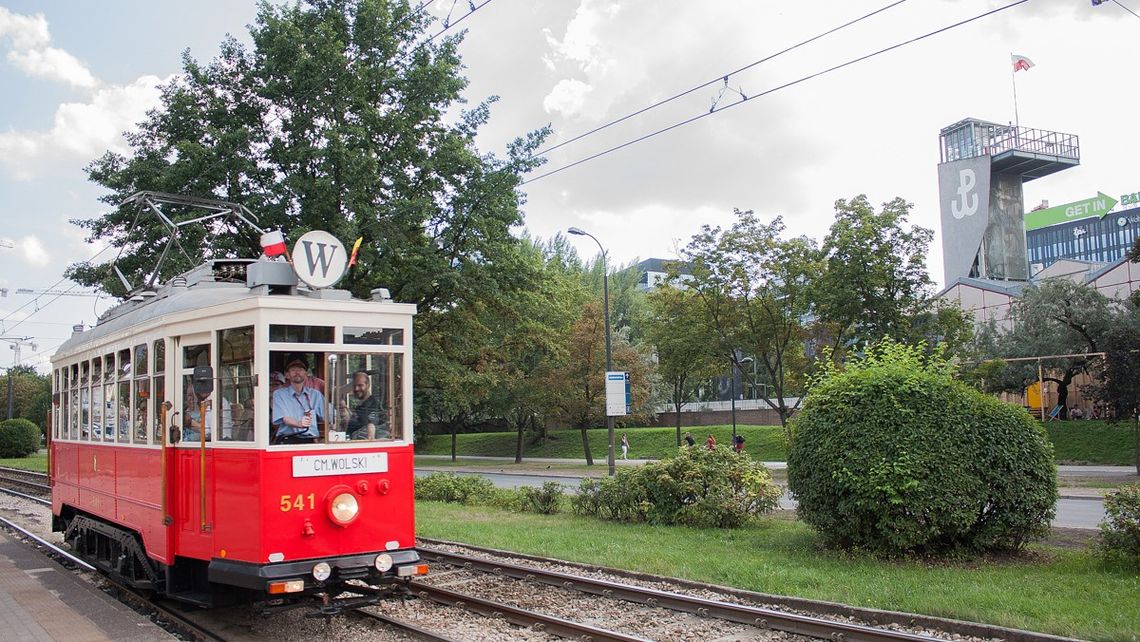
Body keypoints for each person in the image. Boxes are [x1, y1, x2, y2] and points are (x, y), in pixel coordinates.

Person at [271, 356, 325, 444]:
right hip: (288, 439)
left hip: (310, 440)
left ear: (306, 374)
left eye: (300, 369)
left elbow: (327, 415)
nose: (297, 372)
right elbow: (284, 419)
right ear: (287, 375)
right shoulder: (279, 394)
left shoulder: (315, 394)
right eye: (293, 370)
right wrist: (299, 423)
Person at [342, 370, 388, 440]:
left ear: (368, 385)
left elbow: (372, 430)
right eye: (354, 386)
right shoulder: (360, 406)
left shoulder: (373, 406)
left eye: (360, 385)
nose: (356, 389)